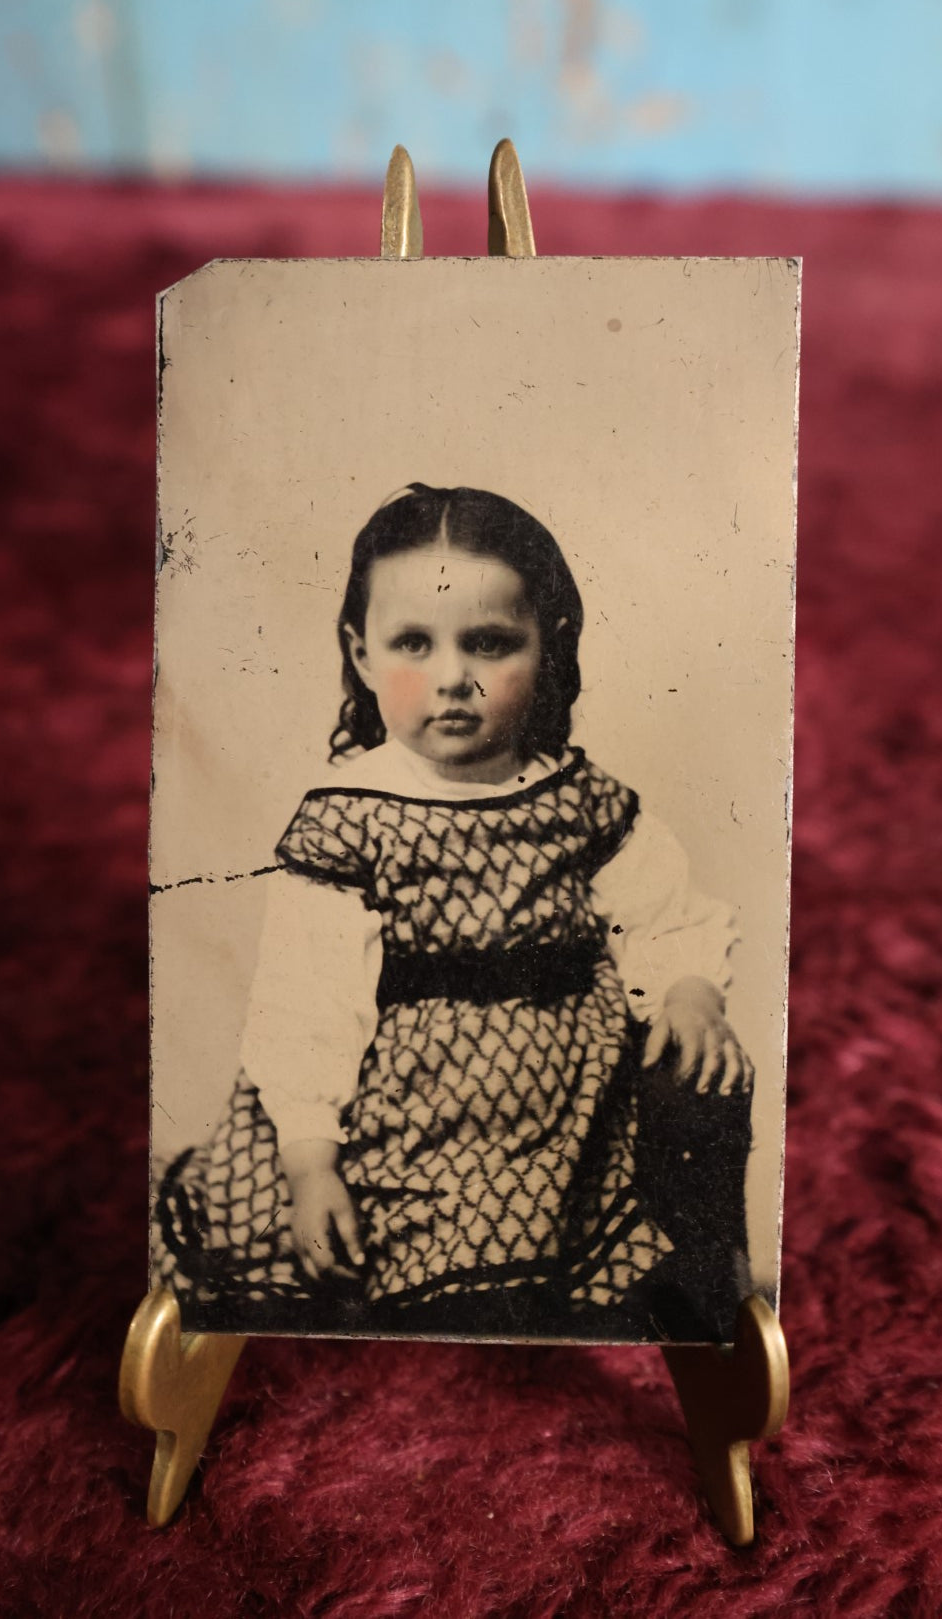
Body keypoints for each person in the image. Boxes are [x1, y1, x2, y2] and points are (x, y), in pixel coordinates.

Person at [155, 484, 754, 1341]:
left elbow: (664, 913)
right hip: (406, 1106)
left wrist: (688, 990)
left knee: (633, 1243)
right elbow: (307, 1005)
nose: (452, 678)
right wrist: (312, 1159)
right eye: (413, 643)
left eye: (489, 643)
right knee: (426, 1273)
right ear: (361, 655)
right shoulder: (351, 815)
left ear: (550, 647)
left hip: (570, 1104)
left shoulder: (582, 800)